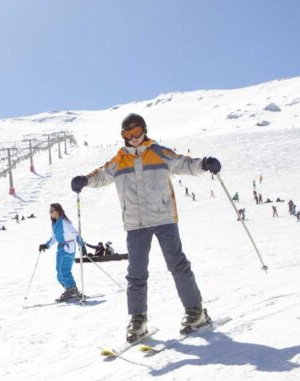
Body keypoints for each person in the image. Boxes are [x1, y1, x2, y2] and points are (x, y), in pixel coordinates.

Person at [70, 113, 220, 340]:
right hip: (135, 223)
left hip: (163, 218)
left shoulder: (158, 153)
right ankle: (138, 319)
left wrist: (204, 164)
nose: (134, 137)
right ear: (123, 136)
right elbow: (101, 175)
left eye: (137, 132)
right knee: (136, 274)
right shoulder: (119, 159)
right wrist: (85, 180)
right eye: (128, 134)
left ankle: (195, 311)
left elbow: (185, 164)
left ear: (144, 130)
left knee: (178, 265)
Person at [38, 202, 85, 302]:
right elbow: (54, 238)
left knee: (64, 270)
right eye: (49, 211)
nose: (50, 213)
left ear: (58, 211)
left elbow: (76, 234)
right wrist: (46, 245)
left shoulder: (65, 222)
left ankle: (72, 289)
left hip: (68, 247)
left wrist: (82, 245)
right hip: (61, 248)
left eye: (52, 210)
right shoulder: (54, 224)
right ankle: (70, 290)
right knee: (59, 273)